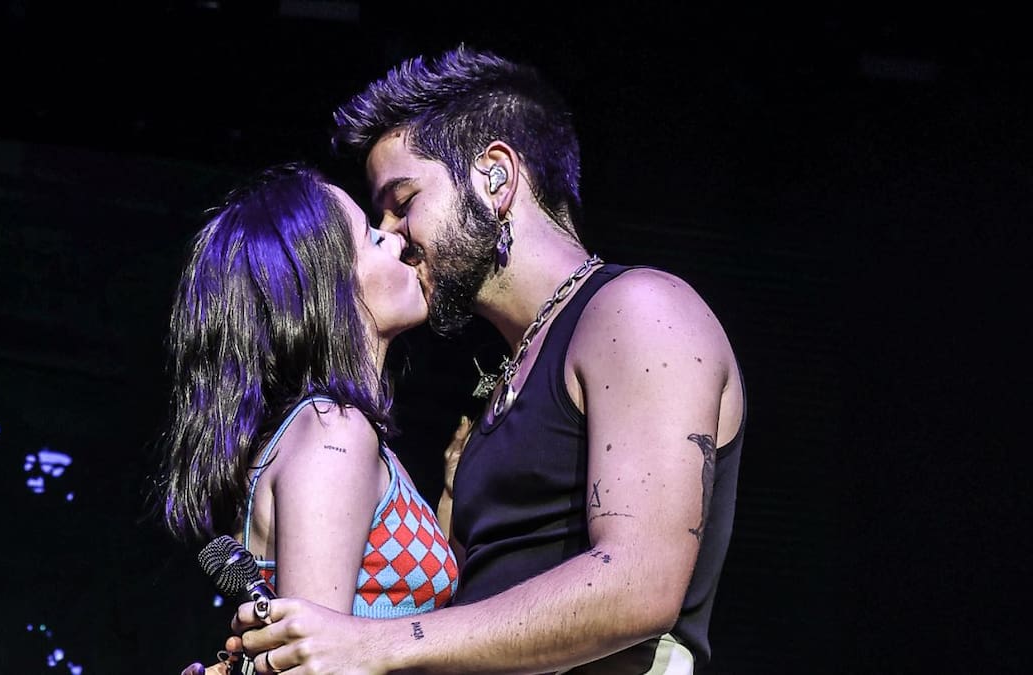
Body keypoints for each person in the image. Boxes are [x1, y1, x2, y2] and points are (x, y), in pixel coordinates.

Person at [214, 45, 747, 675]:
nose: (393, 237)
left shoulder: (639, 311)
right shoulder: (497, 392)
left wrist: (370, 645)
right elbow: (472, 630)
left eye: (403, 201)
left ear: (495, 176)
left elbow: (640, 585)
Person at [158, 164, 460, 673]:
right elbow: (315, 665)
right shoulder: (333, 431)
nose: (395, 240)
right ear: (329, 288)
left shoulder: (335, 430)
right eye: (371, 237)